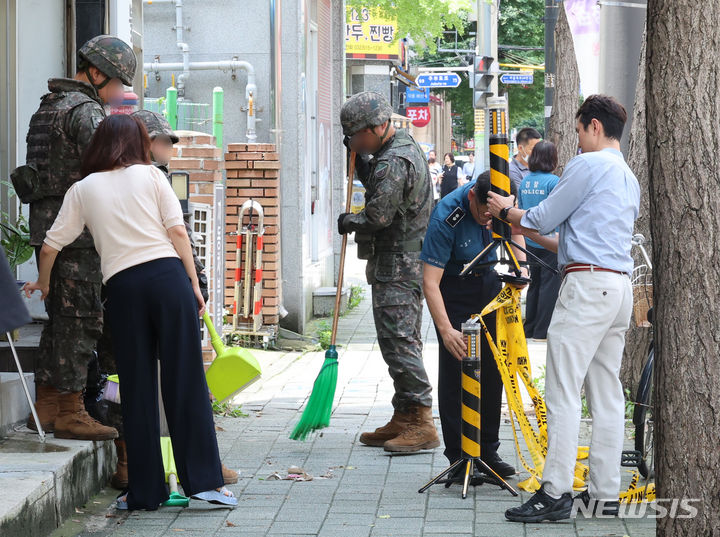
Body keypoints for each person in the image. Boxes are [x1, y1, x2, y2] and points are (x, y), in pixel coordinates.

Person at [24, 115, 237, 511]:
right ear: (138, 143)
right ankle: (206, 484)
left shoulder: (83, 188)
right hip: (168, 279)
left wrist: (45, 283)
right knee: (185, 380)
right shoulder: (152, 176)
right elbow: (177, 232)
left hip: (122, 289)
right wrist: (193, 284)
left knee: (137, 388)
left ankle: (144, 492)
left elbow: (52, 246)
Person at [488, 95, 639, 523]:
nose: (575, 141)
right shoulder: (627, 176)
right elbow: (573, 238)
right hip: (616, 287)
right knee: (606, 392)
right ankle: (604, 493)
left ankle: (554, 491)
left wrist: (507, 210)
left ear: (593, 126)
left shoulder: (587, 166)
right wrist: (526, 223)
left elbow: (542, 218)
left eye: (577, 131)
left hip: (586, 288)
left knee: (562, 390)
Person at [86, 109, 235, 490]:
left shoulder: (153, 176)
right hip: (124, 286)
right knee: (129, 383)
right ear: (142, 142)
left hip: (146, 284)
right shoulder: (133, 178)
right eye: (163, 140)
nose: (169, 147)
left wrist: (193, 280)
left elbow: (180, 233)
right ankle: (131, 463)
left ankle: (192, 469)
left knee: (171, 379)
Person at [11, 35, 136, 441]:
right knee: (82, 320)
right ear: (96, 73)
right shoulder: (85, 112)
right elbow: (113, 172)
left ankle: (45, 407)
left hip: (47, 228)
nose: (120, 92)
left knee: (60, 321)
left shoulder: (47, 108)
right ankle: (69, 409)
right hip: (77, 234)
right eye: (117, 82)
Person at [337, 91, 439, 453]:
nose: (353, 142)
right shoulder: (395, 151)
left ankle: (421, 421)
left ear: (378, 127)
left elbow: (379, 216)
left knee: (400, 343)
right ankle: (404, 414)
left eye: (355, 135)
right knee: (397, 341)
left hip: (398, 264)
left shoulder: (394, 160)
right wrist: (362, 160)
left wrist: (350, 221)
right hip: (398, 264)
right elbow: (381, 190)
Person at [421, 171, 526, 482]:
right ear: (472, 199)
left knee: (493, 371)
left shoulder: (504, 201)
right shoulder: (447, 217)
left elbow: (517, 233)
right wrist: (446, 330)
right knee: (457, 369)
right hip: (454, 289)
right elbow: (429, 282)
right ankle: (459, 456)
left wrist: (520, 271)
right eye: (485, 213)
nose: (489, 218)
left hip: (491, 286)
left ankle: (488, 451)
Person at [518, 140, 561, 341]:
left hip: (529, 241)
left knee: (534, 284)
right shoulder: (553, 182)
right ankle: (542, 331)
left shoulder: (525, 181)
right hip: (549, 240)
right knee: (549, 286)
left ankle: (530, 328)